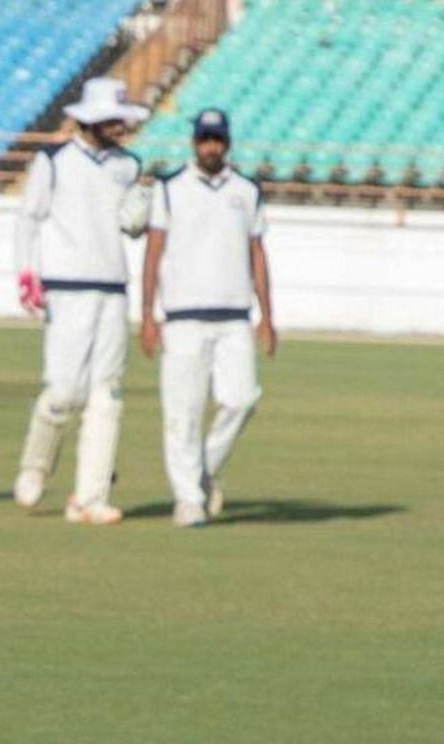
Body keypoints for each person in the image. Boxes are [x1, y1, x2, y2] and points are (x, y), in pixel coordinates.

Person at [12, 77, 150, 525]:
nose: (120, 125)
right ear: (91, 118)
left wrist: (140, 215)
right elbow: (28, 220)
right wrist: (27, 274)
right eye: (113, 117)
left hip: (112, 287)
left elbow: (131, 224)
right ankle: (35, 467)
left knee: (106, 393)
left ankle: (89, 498)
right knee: (64, 389)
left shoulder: (128, 165)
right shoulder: (52, 160)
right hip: (66, 287)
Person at [140, 108, 275, 527]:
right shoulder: (169, 188)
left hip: (234, 315)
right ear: (194, 142)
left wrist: (267, 315)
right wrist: (147, 314)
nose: (211, 147)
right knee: (183, 410)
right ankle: (188, 499)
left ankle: (200, 471)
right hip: (182, 317)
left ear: (227, 142)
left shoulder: (247, 190)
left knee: (241, 399)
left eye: (217, 140)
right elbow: (153, 252)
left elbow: (257, 253)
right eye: (204, 139)